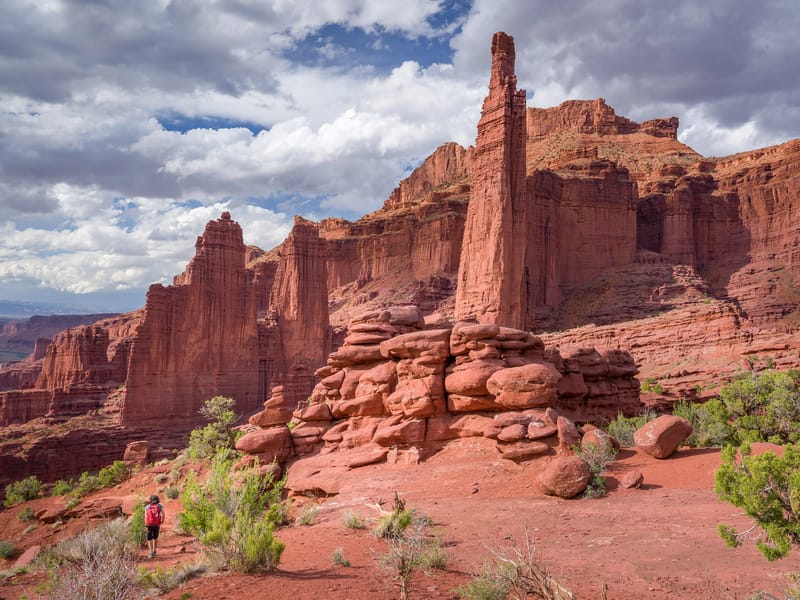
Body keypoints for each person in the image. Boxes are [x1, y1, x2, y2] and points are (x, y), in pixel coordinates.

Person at [144, 494, 165, 558]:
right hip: (157, 524)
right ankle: (154, 550)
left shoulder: (147, 507)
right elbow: (163, 514)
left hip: (149, 524)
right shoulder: (160, 506)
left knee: (149, 538)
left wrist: (146, 524)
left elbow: (146, 516)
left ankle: (150, 552)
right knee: (155, 537)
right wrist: (162, 521)